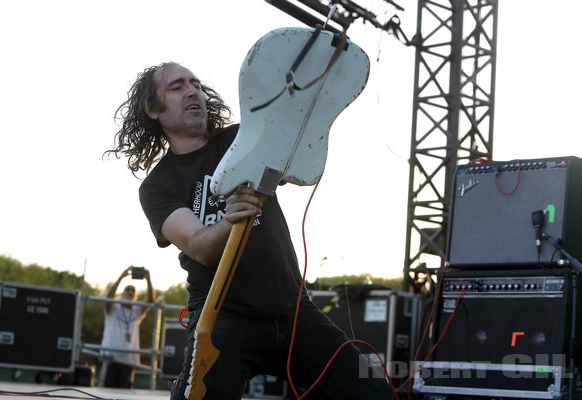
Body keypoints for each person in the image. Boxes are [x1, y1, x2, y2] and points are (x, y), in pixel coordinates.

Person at [105, 62, 394, 399]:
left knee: (373, 393)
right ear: (153, 108)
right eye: (177, 86)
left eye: (196, 83)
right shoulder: (157, 186)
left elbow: (297, 144)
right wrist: (231, 218)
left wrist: (315, 70)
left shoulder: (241, 139)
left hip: (293, 308)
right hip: (222, 316)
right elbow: (200, 246)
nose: (192, 90)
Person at [100, 266, 155, 388]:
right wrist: (121, 277)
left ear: (135, 296)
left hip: (128, 361)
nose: (130, 291)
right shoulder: (113, 308)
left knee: (125, 394)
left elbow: (150, 301)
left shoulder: (136, 310)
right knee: (106, 393)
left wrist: (148, 280)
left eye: (133, 290)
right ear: (122, 293)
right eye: (127, 289)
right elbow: (108, 297)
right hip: (111, 359)